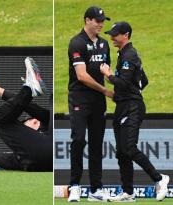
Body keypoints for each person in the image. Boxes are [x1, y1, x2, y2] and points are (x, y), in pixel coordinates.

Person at [100, 21, 169, 202]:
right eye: (111, 34)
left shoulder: (129, 54)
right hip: (124, 106)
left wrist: (108, 75)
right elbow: (143, 81)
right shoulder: (126, 54)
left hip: (132, 107)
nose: (112, 37)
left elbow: (122, 82)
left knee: (129, 149)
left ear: (126, 35)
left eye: (115, 34)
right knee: (122, 152)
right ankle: (128, 192)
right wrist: (128, 91)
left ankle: (160, 179)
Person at [67, 6, 114, 202]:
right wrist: (105, 90)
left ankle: (96, 189)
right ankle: (75, 186)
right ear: (87, 20)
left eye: (102, 20)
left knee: (96, 144)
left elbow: (107, 71)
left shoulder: (104, 44)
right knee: (78, 140)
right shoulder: (76, 42)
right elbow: (82, 76)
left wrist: (117, 82)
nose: (101, 24)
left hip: (97, 103)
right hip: (80, 98)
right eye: (97, 20)